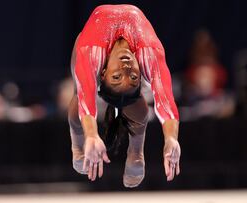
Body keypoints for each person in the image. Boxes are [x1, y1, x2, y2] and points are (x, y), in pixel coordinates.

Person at [68, 4, 181, 187]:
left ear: (103, 73)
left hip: (88, 49)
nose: (126, 68)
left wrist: (91, 135)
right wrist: (171, 138)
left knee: (80, 89)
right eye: (134, 77)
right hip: (98, 51)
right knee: (83, 91)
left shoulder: (91, 52)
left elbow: (86, 100)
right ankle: (82, 144)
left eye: (117, 77)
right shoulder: (149, 53)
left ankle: (135, 152)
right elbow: (166, 100)